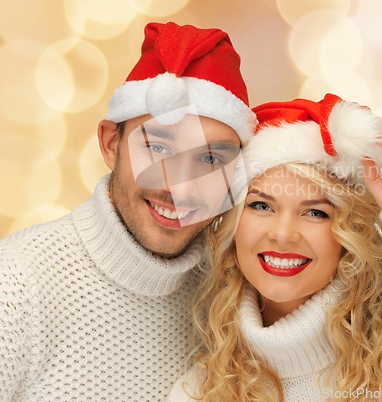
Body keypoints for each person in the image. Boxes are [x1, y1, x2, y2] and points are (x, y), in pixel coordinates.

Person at [167, 94, 382, 402]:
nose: (283, 234)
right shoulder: (201, 390)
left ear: (348, 231)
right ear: (233, 223)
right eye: (261, 206)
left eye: (315, 212)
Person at [0, 21, 257, 400]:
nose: (178, 187)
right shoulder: (17, 286)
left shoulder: (229, 295)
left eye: (208, 158)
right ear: (110, 143)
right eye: (159, 148)